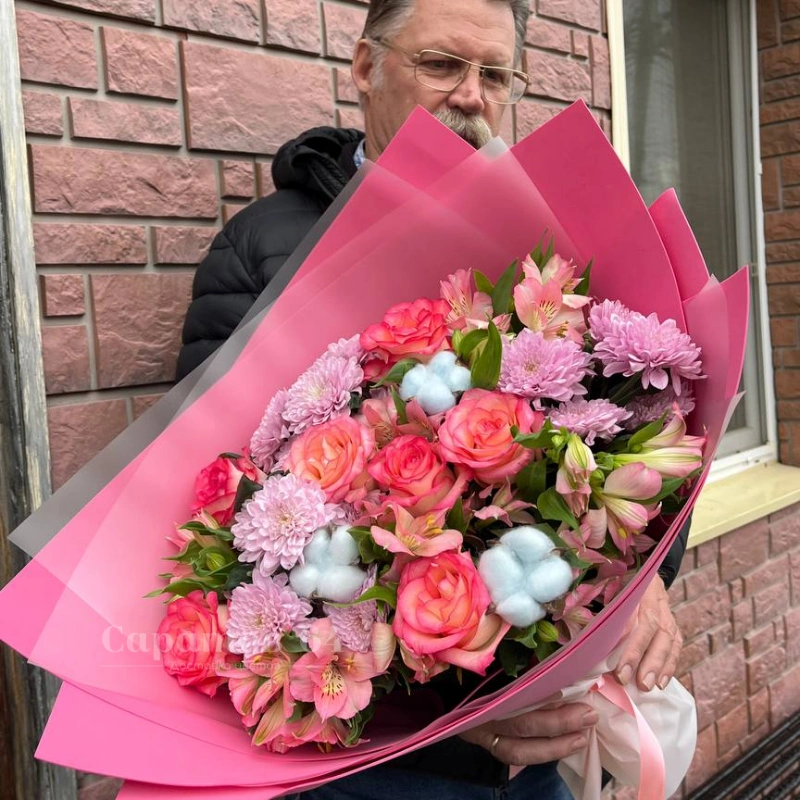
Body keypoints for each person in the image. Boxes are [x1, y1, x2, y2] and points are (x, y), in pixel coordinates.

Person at [176, 0, 688, 797]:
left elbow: (642, 433)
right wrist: (442, 713)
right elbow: (225, 517)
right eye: (442, 65)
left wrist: (642, 574)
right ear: (365, 67)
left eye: (496, 75)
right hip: (375, 763)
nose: (472, 96)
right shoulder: (262, 248)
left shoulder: (549, 238)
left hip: (544, 746)